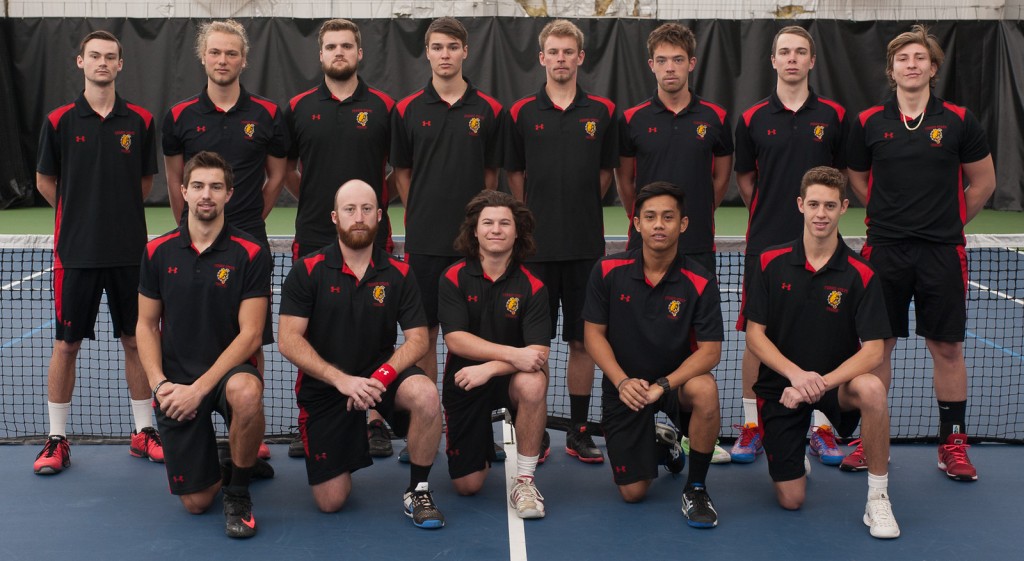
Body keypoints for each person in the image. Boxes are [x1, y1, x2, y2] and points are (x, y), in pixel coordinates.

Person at [847, 25, 996, 481]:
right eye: (903, 59)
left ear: (933, 68)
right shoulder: (869, 121)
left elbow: (984, 183)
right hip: (884, 251)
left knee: (947, 347)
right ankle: (870, 440)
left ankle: (952, 442)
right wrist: (889, 215)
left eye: (920, 58)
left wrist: (946, 224)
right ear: (891, 70)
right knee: (877, 347)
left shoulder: (959, 120)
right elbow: (857, 177)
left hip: (942, 254)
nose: (911, 65)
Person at [277, 180, 446, 529]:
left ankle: (419, 490)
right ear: (335, 217)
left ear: (380, 216)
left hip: (378, 376)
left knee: (427, 395)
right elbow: (288, 340)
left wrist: (379, 379)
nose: (359, 217)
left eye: (367, 209)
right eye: (350, 210)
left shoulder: (399, 273)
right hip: (327, 384)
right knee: (330, 501)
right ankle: (347, 439)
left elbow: (418, 341)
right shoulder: (307, 270)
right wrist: (342, 381)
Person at [745, 166, 900, 538]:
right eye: (813, 204)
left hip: (836, 386)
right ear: (800, 205)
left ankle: (878, 498)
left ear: (844, 207)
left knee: (873, 389)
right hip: (782, 388)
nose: (821, 214)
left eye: (830, 205)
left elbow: (875, 350)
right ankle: (793, 450)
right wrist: (797, 377)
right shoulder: (769, 262)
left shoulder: (861, 273)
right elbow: (755, 336)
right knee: (791, 499)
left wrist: (819, 383)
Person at [33, 30, 162, 475]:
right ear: (80, 62)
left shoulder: (142, 120)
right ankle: (57, 439)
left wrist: (115, 215)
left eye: (110, 57)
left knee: (136, 341)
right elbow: (45, 183)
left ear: (121, 65)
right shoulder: (59, 121)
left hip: (130, 253)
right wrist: (80, 216)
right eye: (95, 56)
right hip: (76, 254)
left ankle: (144, 431)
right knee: (66, 345)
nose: (102, 63)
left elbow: (144, 183)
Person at [162, 19, 287, 462]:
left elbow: (275, 177)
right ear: (203, 57)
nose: (222, 60)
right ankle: (190, 411)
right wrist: (189, 228)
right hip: (191, 245)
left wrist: (249, 221)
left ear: (244, 60)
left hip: (250, 244)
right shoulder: (180, 115)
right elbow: (176, 176)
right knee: (191, 329)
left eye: (231, 53)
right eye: (215, 52)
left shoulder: (268, 114)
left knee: (251, 338)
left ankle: (247, 428)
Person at [137, 151, 270, 539]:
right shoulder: (156, 252)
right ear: (183, 191)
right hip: (177, 381)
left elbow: (250, 334)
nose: (205, 194)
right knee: (196, 504)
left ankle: (239, 490)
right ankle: (233, 460)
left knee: (247, 392)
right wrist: (161, 385)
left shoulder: (251, 253)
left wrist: (200, 389)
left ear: (230, 193)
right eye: (197, 186)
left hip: (228, 374)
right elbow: (145, 325)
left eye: (215, 186)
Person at [616, 22, 733, 464]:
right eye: (661, 60)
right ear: (651, 65)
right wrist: (649, 223)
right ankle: (641, 423)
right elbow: (627, 181)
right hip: (641, 248)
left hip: (697, 245)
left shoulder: (715, 118)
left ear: (691, 64)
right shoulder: (632, 119)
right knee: (639, 338)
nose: (670, 68)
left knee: (691, 341)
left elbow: (721, 178)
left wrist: (691, 221)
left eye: (677, 60)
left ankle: (689, 431)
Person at [732, 26, 848, 465]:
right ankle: (751, 423)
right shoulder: (752, 118)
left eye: (801, 52)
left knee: (824, 332)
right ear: (774, 61)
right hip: (766, 244)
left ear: (812, 61)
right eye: (785, 52)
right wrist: (772, 216)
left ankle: (821, 427)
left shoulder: (835, 115)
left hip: (822, 244)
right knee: (754, 334)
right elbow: (746, 180)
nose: (793, 58)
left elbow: (838, 177)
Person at [284, 18, 397, 459]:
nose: (339, 53)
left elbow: (398, 171)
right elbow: (287, 171)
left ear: (359, 53)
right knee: (307, 331)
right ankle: (308, 418)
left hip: (372, 240)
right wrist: (317, 204)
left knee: (374, 329)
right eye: (331, 46)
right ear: (321, 54)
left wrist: (370, 211)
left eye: (347, 46)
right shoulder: (297, 106)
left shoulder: (385, 106)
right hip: (313, 237)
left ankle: (373, 418)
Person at [506, 19, 617, 464]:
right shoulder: (521, 113)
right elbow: (515, 174)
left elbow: (605, 175)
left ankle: (578, 428)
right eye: (553, 51)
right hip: (536, 251)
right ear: (542, 58)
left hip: (586, 247)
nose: (561, 59)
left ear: (580, 57)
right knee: (535, 345)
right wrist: (527, 221)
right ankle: (533, 426)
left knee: (583, 342)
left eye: (569, 52)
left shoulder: (602, 112)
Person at [583, 182, 724, 528]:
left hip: (675, 384)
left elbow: (711, 352)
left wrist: (664, 383)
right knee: (633, 493)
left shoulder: (701, 281)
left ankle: (696, 487)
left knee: (706, 389)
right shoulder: (606, 270)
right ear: (636, 224)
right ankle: (665, 445)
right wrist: (622, 380)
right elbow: (593, 336)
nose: (659, 224)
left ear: (683, 224)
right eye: (650, 217)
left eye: (668, 217)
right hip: (626, 387)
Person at [391, 16, 505, 389]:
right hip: (424, 241)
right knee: (423, 331)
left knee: (470, 329)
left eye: (453, 47)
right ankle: (427, 414)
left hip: (473, 244)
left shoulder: (490, 110)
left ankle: (465, 412)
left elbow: (490, 174)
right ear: (426, 53)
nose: (445, 54)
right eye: (437, 47)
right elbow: (402, 173)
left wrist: (477, 220)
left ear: (465, 52)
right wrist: (418, 211)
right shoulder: (407, 109)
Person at [438, 190, 550, 519]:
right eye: (487, 223)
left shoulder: (534, 285)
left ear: (518, 231)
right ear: (475, 231)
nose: (496, 229)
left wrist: (490, 367)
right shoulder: (453, 277)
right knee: (468, 485)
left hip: (507, 379)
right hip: (465, 380)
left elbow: (537, 355)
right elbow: (456, 340)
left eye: (504, 223)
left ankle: (525, 480)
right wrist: (512, 356)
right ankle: (482, 444)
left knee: (533, 383)